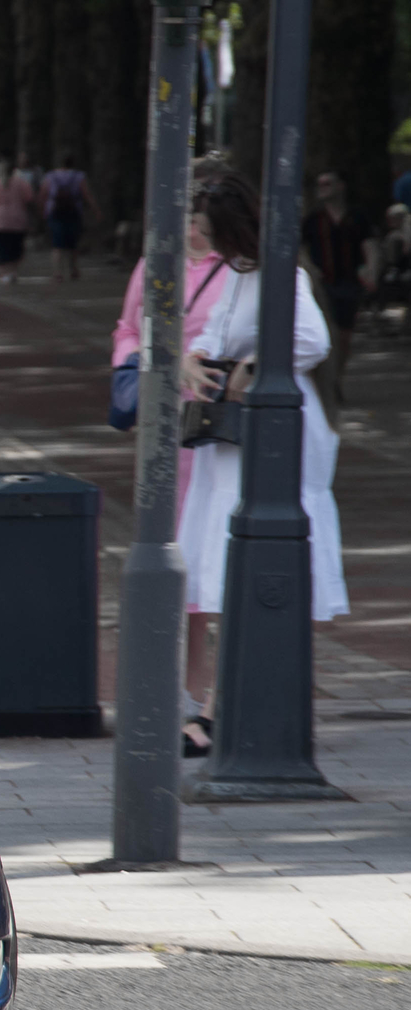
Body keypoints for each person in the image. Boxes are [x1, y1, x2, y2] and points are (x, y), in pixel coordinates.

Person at [173, 173, 349, 755]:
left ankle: (221, 708)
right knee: (236, 564)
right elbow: (215, 333)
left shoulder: (281, 277)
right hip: (236, 440)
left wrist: (249, 366)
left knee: (254, 560)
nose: (203, 238)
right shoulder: (238, 277)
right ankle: (226, 703)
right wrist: (197, 360)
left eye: (210, 229)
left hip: (271, 440)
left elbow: (312, 340)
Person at [301, 169, 374, 405]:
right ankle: (324, 385)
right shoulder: (314, 219)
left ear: (340, 186)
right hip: (322, 286)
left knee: (343, 338)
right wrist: (311, 270)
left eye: (328, 183)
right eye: (320, 184)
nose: (323, 188)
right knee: (325, 335)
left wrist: (370, 269)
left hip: (349, 284)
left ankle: (336, 381)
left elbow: (370, 246)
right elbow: (300, 249)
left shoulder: (357, 217)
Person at [0, 158, 33, 284]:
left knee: (1, 248)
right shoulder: (22, 183)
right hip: (17, 220)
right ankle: (13, 272)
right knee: (15, 248)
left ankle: (3, 273)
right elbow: (29, 199)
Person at [42, 155, 89, 282]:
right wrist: (96, 210)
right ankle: (73, 269)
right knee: (73, 243)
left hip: (55, 211)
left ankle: (58, 271)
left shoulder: (51, 176)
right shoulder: (79, 176)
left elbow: (44, 193)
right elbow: (86, 194)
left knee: (57, 243)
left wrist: (43, 210)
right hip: (73, 211)